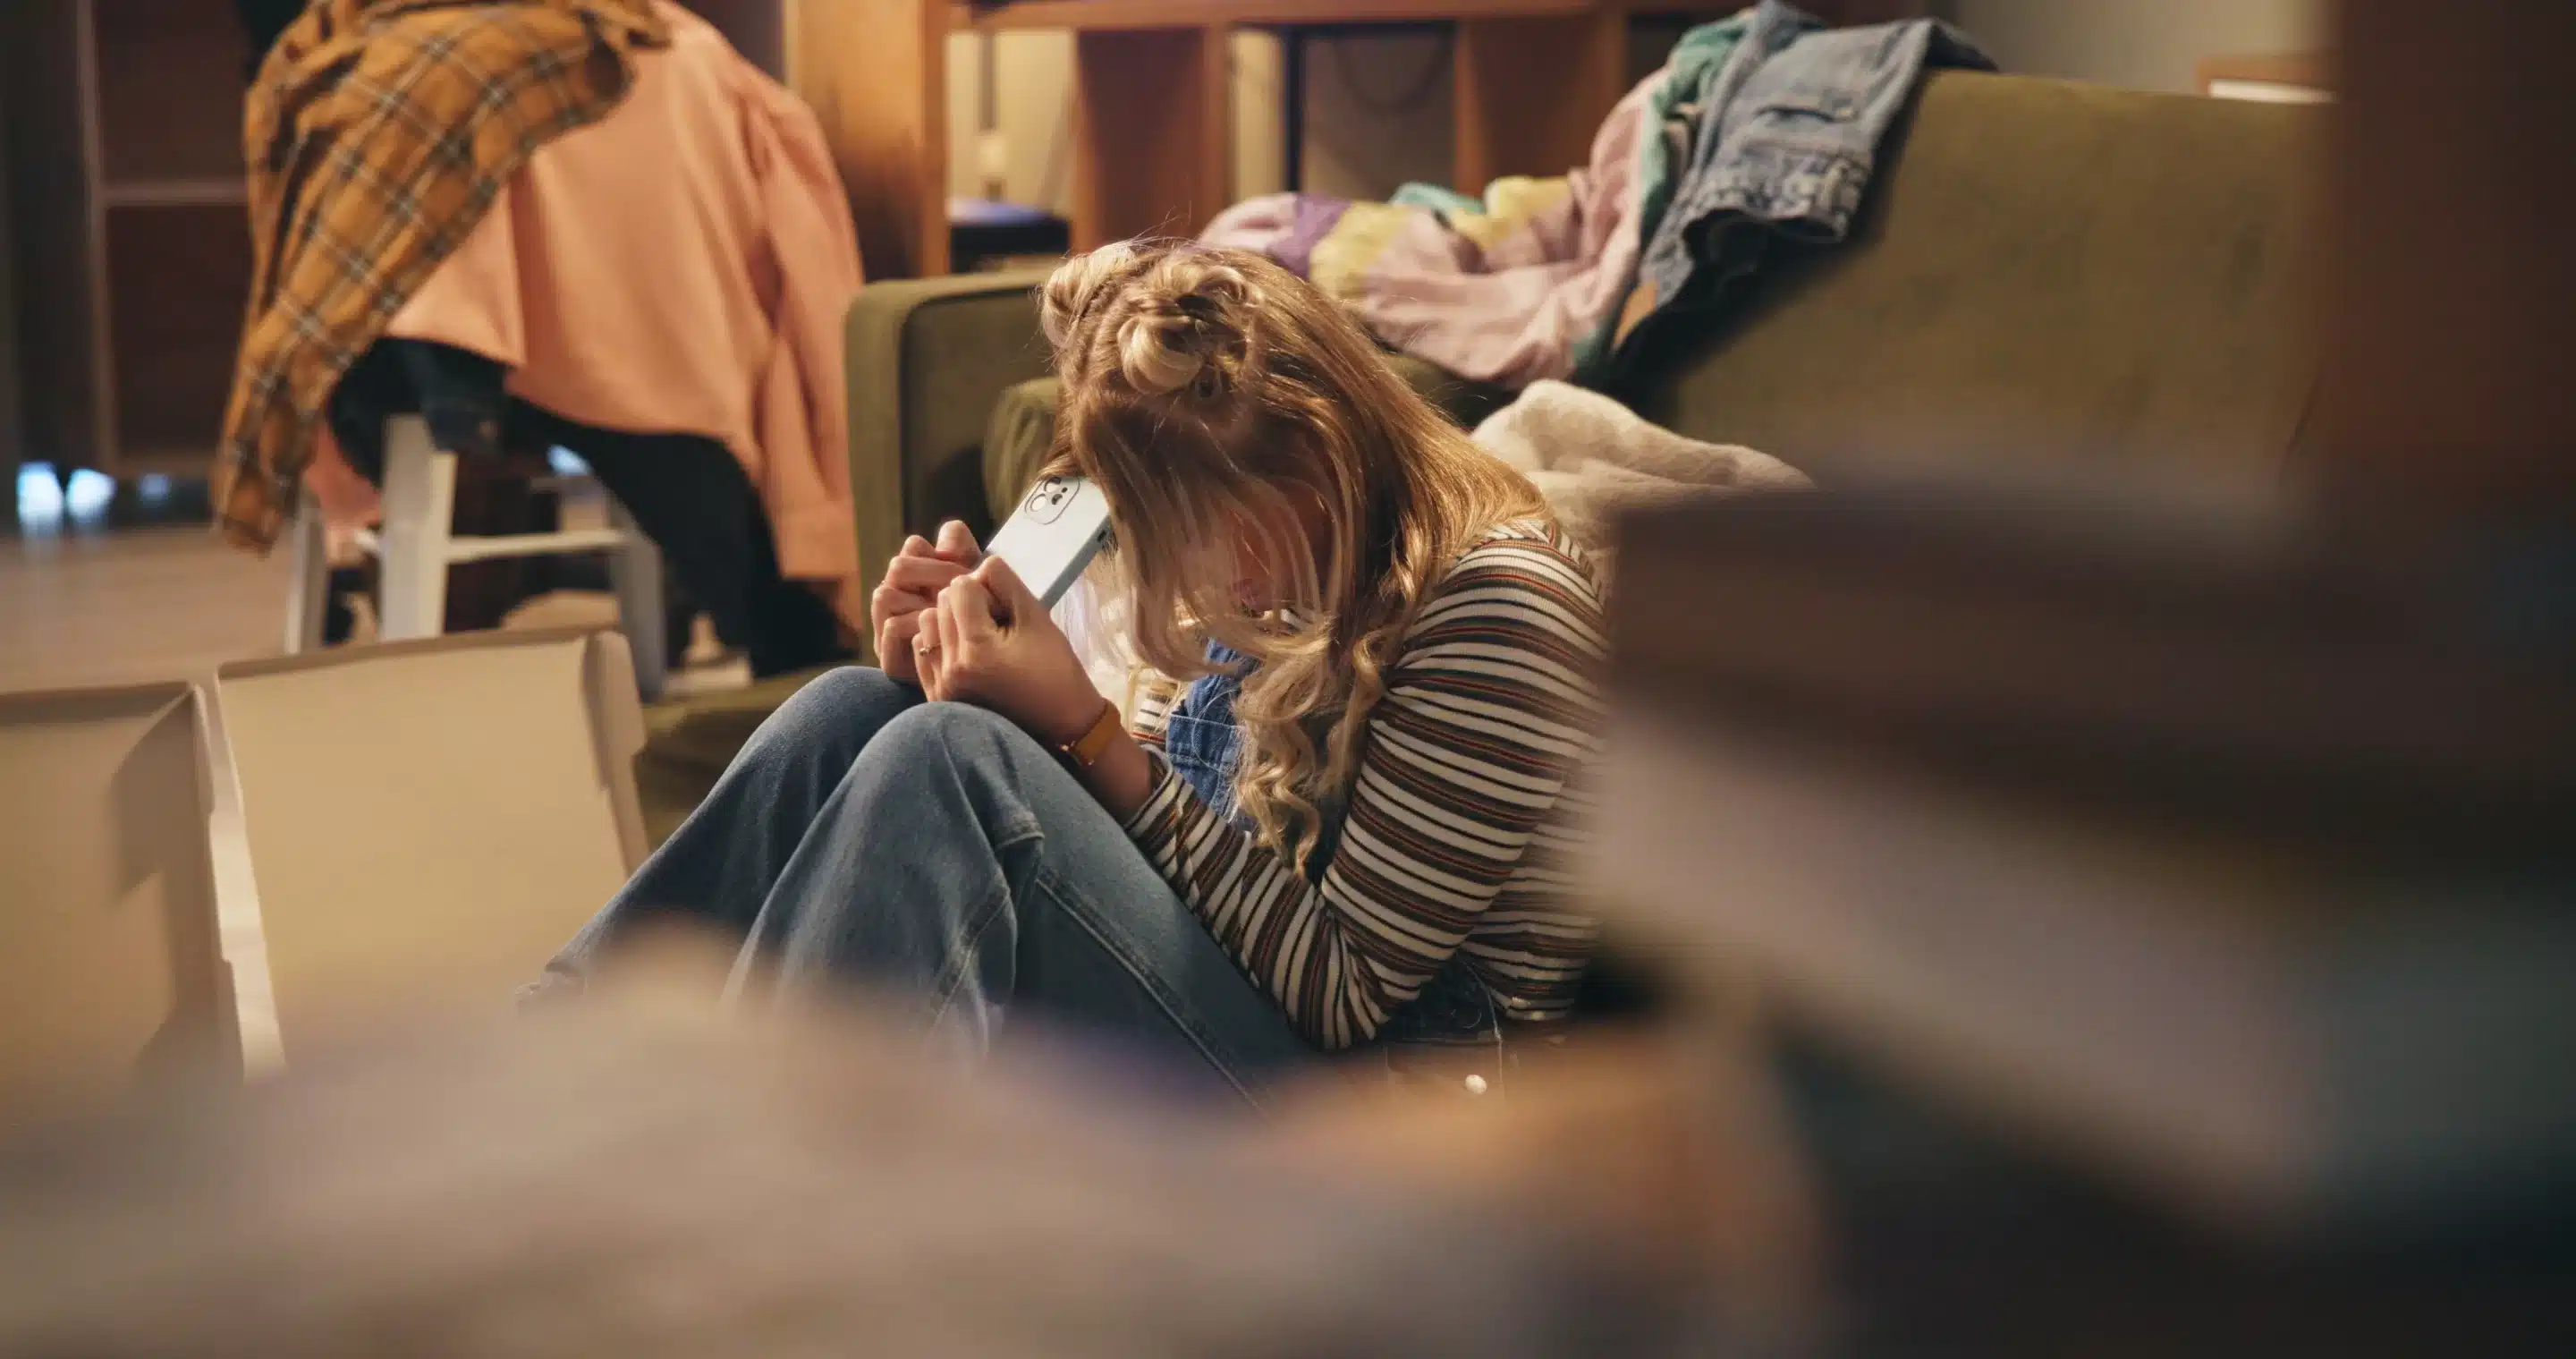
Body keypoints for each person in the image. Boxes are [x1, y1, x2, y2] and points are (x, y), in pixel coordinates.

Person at [537, 241, 1609, 1105]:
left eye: (1198, 537)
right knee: (861, 711)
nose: (1190, 577)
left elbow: (1341, 990)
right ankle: (542, 1088)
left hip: (1397, 1118)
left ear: (1327, 461)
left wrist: (1086, 738)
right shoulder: (1295, 565)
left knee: (954, 762)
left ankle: (758, 1222)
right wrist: (962, 674)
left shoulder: (1499, 611)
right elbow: (1186, 865)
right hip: (1251, 1021)